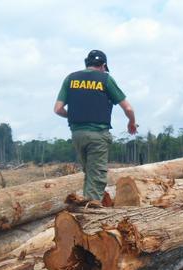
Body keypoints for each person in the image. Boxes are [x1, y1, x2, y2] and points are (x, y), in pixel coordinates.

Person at [54, 50, 137, 203]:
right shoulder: (105, 79)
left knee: (89, 174)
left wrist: (73, 116)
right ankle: (91, 215)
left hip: (77, 134)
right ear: (103, 65)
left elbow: (58, 109)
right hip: (98, 135)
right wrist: (131, 122)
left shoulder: (70, 79)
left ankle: (84, 208)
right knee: (97, 177)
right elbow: (128, 108)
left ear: (87, 63)